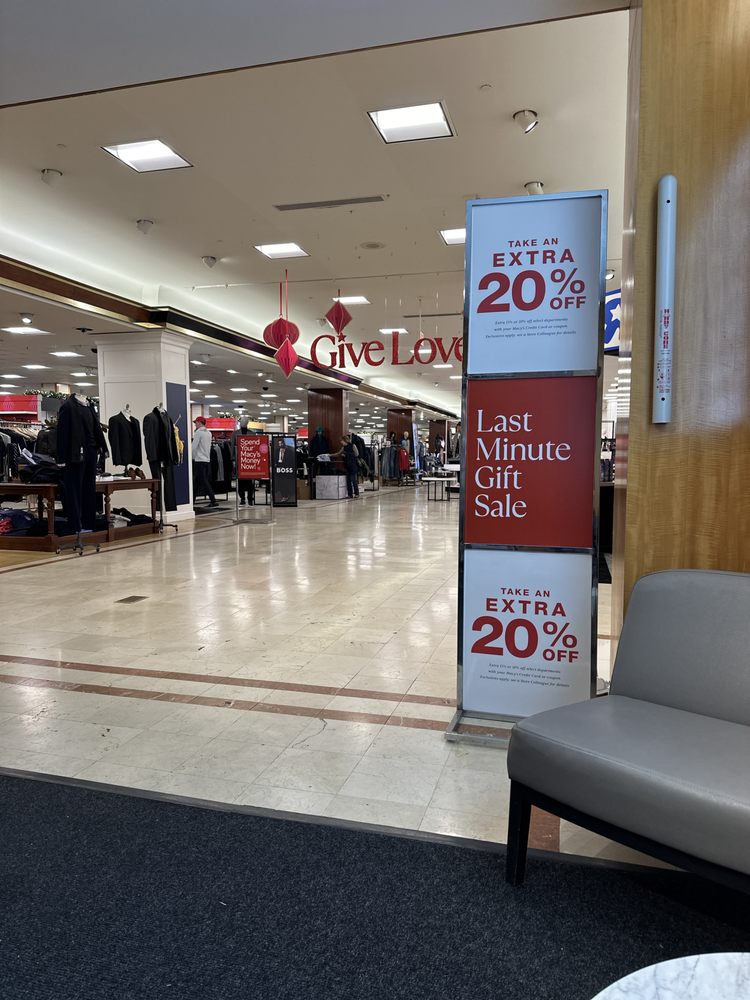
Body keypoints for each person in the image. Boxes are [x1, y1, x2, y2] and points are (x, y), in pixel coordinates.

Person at [192, 415, 217, 507]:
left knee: (203, 481)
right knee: (197, 481)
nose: (195, 425)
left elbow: (194, 447)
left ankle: (213, 500)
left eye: (196, 423)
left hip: (199, 460)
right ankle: (192, 500)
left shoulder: (198, 433)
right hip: (206, 460)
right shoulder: (209, 433)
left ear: (199, 423)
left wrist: (191, 457)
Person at [332, 434, 360, 499]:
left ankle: (356, 493)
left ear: (345, 440)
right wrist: (330, 455)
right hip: (347, 465)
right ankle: (350, 494)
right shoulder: (343, 448)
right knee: (348, 481)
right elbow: (338, 454)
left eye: (341, 441)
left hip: (353, 465)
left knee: (354, 480)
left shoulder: (353, 445)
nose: (341, 442)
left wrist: (347, 454)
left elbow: (357, 454)